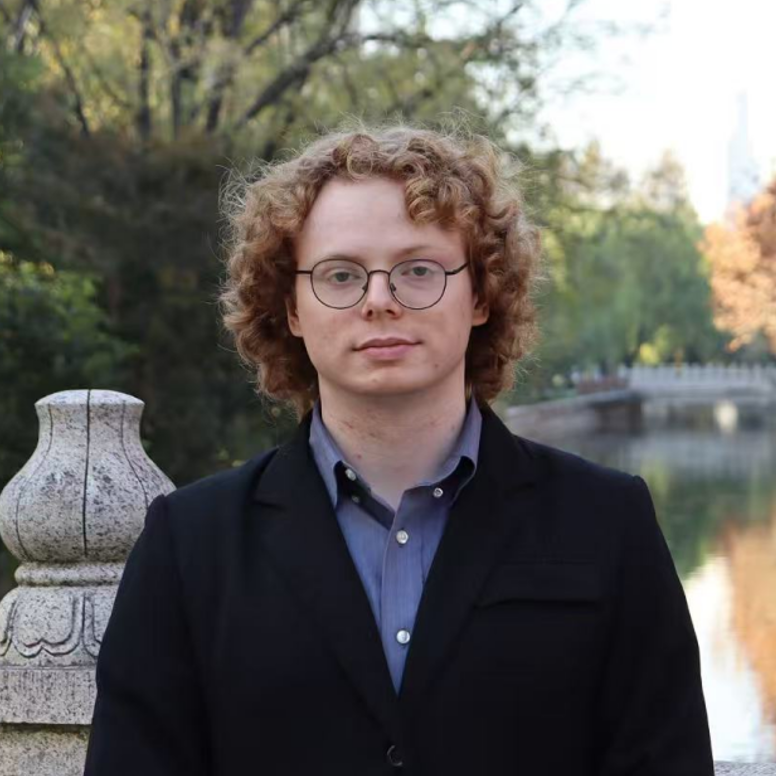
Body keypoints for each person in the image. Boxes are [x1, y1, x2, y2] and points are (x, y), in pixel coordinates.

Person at [83, 124, 714, 775]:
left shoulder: (609, 523)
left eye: (418, 270)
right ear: (292, 309)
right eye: (340, 274)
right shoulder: (189, 544)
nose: (379, 301)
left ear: (481, 294)